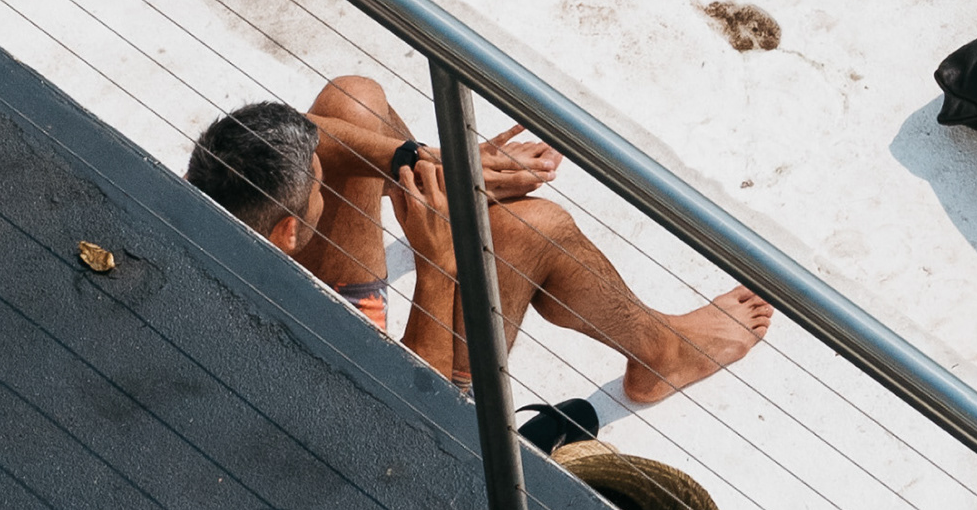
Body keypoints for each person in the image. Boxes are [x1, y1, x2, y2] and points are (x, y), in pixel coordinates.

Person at [182, 78, 772, 403]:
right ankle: (663, 354)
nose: (324, 183)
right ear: (288, 232)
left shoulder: (188, 216)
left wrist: (427, 162)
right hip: (383, 385)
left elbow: (318, 136)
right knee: (537, 229)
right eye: (316, 189)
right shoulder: (278, 358)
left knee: (351, 100)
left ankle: (443, 186)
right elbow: (414, 408)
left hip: (314, 303)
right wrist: (437, 263)